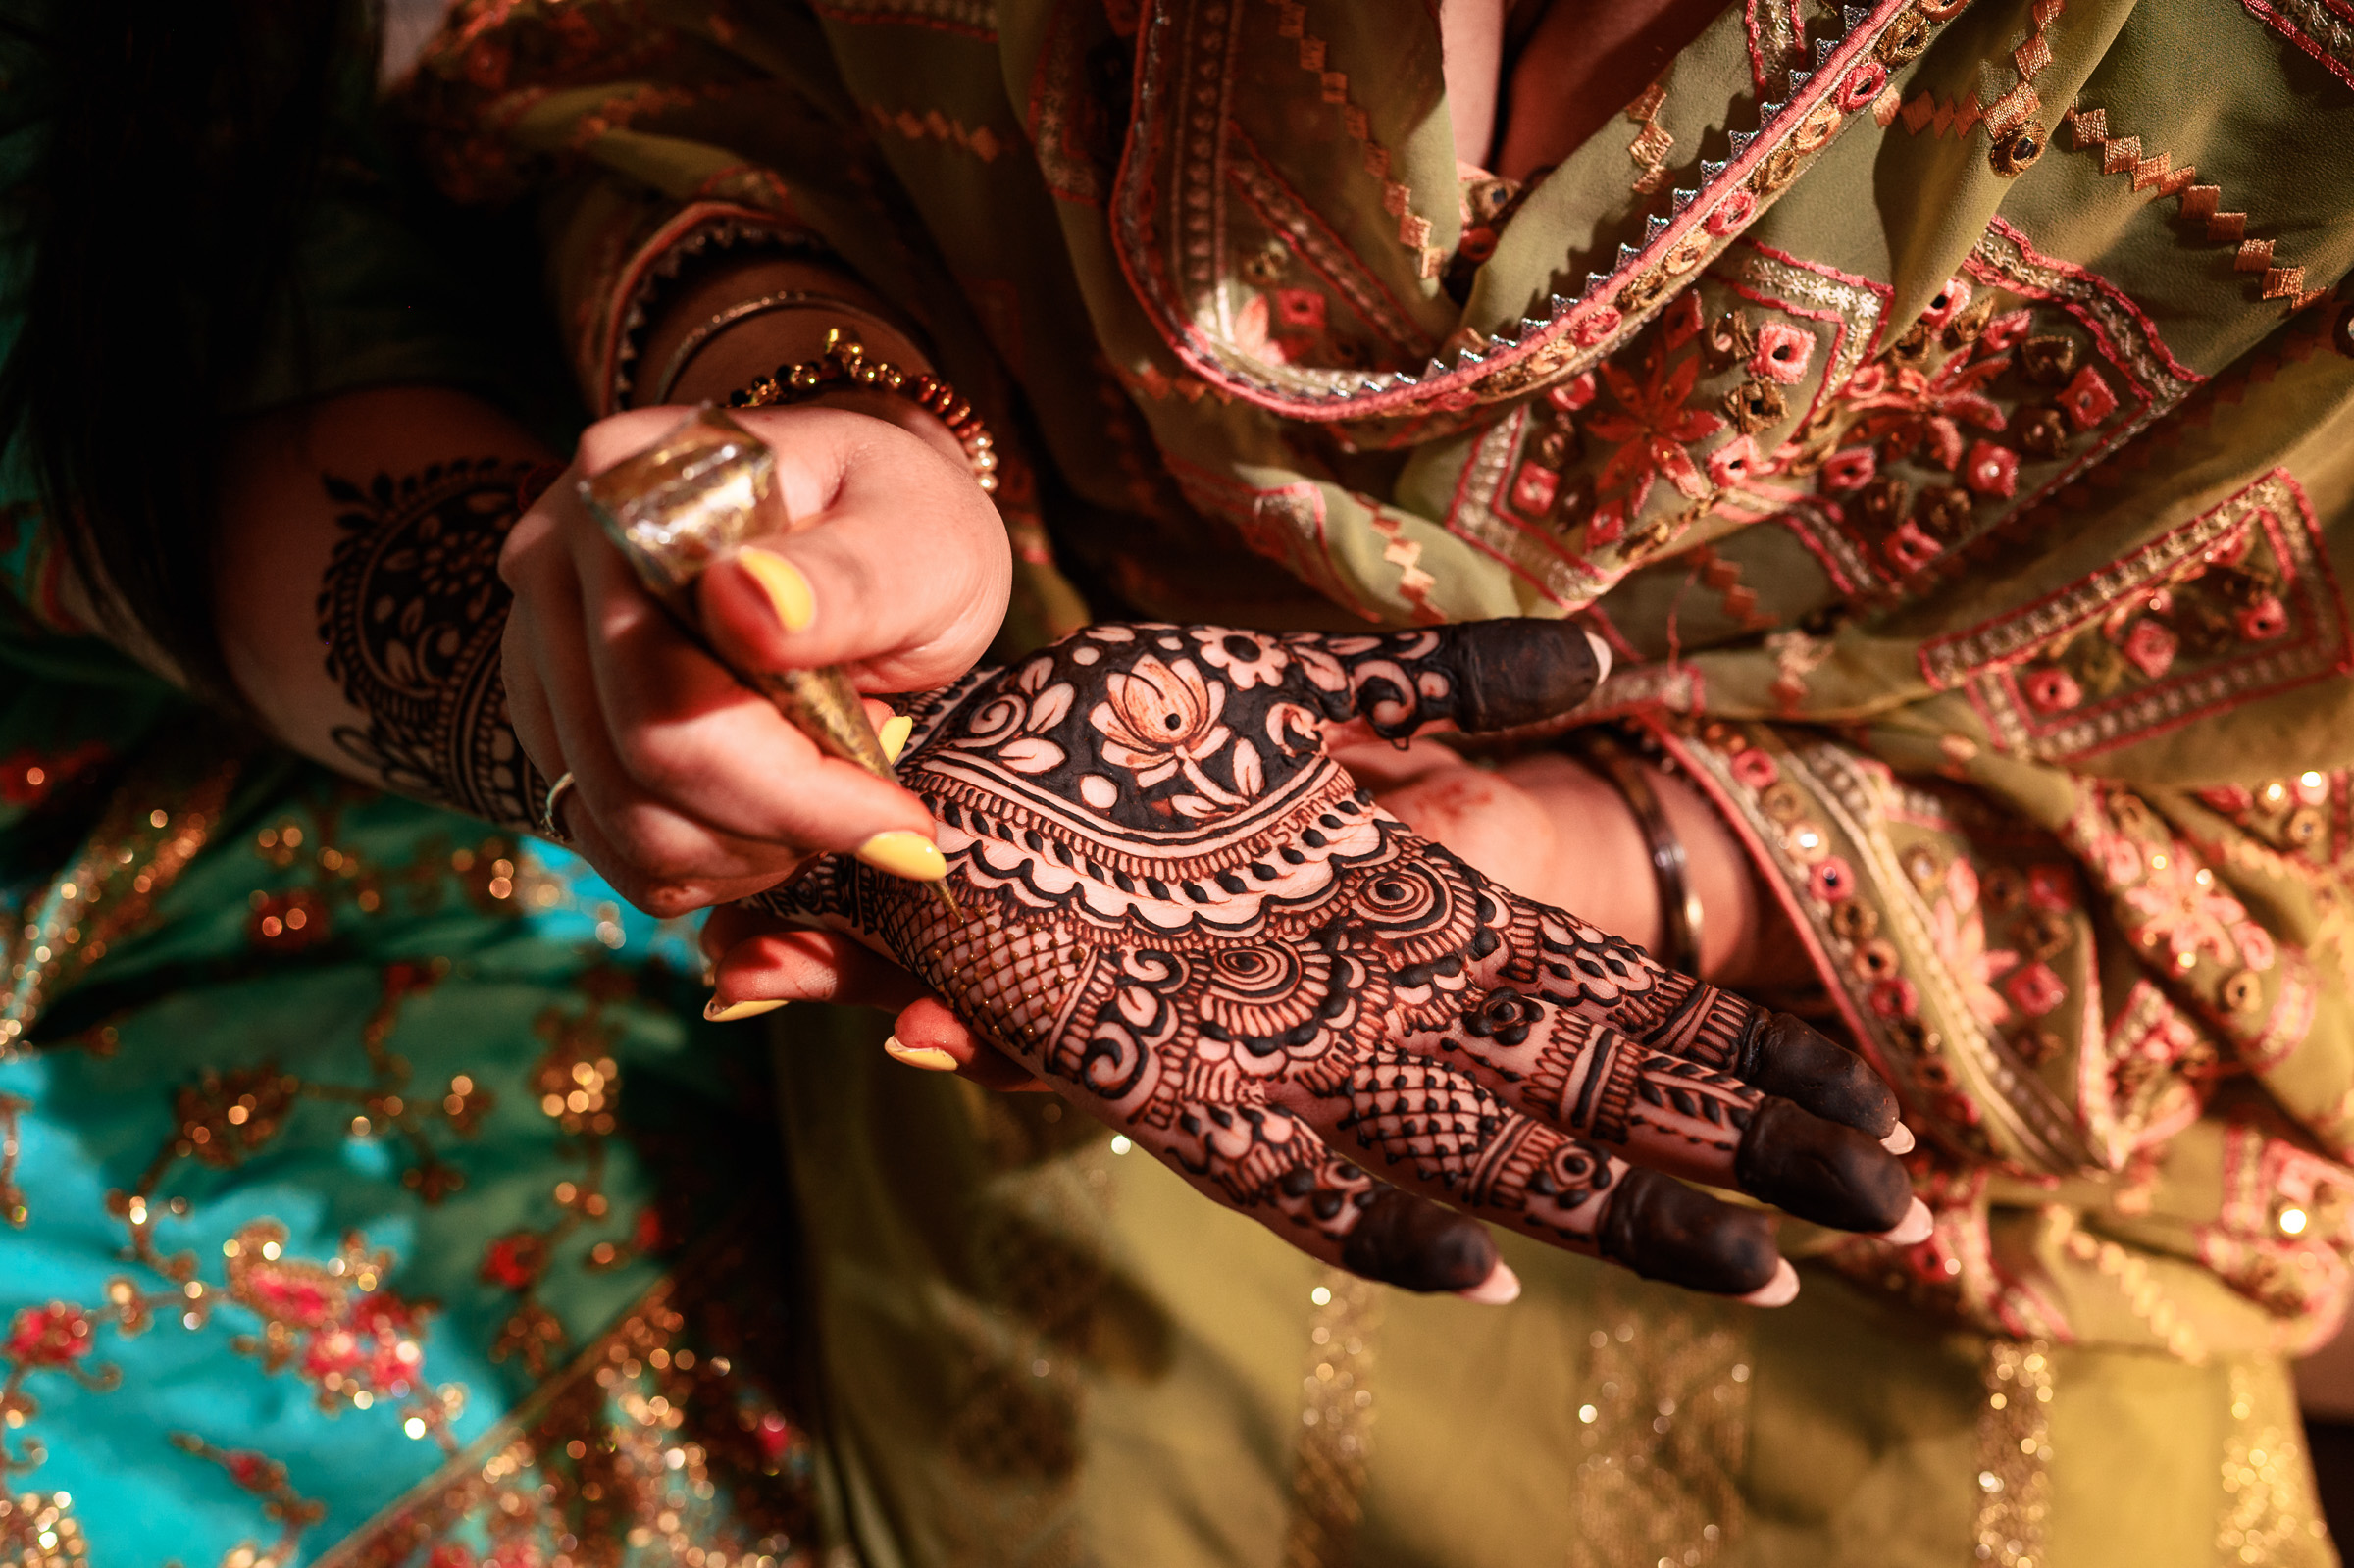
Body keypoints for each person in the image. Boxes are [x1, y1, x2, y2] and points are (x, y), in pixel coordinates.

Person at [394, 0, 2354, 1562]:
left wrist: (1590, 849)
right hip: (1073, 1083)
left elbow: (2268, 824)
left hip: (1938, 1287)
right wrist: (811, 428)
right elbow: (664, 64)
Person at [0, 6, 1908, 1565]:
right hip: (351, 804)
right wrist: (772, 496)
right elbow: (192, 277)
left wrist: (1565, 840)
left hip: (1911, 1148)